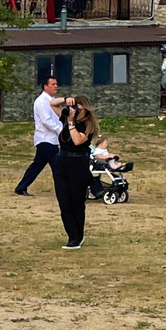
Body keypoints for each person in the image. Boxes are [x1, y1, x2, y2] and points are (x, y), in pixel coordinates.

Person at [48, 94, 98, 249]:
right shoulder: (67, 115)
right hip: (61, 162)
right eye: (73, 105)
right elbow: (52, 104)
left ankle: (78, 235)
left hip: (78, 165)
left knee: (76, 202)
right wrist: (65, 99)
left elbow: (77, 140)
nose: (74, 108)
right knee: (64, 202)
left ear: (85, 107)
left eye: (78, 106)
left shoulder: (88, 124)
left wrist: (71, 121)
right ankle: (71, 236)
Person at [15, 76, 61, 196]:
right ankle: (63, 190)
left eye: (56, 84)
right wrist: (60, 130)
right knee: (58, 167)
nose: (56, 86)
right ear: (45, 86)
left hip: (51, 139)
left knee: (37, 165)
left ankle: (21, 187)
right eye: (53, 84)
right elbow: (46, 121)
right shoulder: (42, 101)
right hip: (46, 140)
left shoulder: (53, 100)